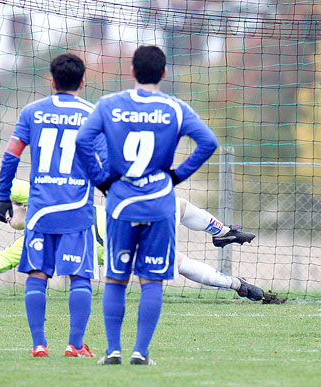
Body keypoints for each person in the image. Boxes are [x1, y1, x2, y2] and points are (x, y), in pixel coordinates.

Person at [75, 45, 218, 365]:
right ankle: (141, 353)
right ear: (164, 73)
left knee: (116, 277)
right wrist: (176, 176)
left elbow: (83, 140)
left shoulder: (109, 104)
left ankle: (113, 351)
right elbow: (208, 142)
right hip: (158, 205)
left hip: (121, 205)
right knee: (152, 280)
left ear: (132, 71)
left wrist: (101, 180)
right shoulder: (176, 108)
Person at [0, 179, 262, 302]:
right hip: (122, 250)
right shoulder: (32, 239)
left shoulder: (43, 199)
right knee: (178, 263)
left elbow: (10, 185)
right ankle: (238, 285)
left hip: (121, 217)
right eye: (5, 218)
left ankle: (222, 232)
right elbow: (0, 262)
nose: (9, 217)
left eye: (10, 210)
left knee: (175, 205)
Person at [0, 53, 98, 358]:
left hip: (40, 210)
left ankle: (39, 344)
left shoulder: (32, 112)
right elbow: (103, 162)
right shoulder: (92, 114)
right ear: (82, 81)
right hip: (76, 208)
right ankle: (75, 345)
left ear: (51, 81)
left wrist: (3, 196)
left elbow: (11, 155)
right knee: (80, 276)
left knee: (37, 274)